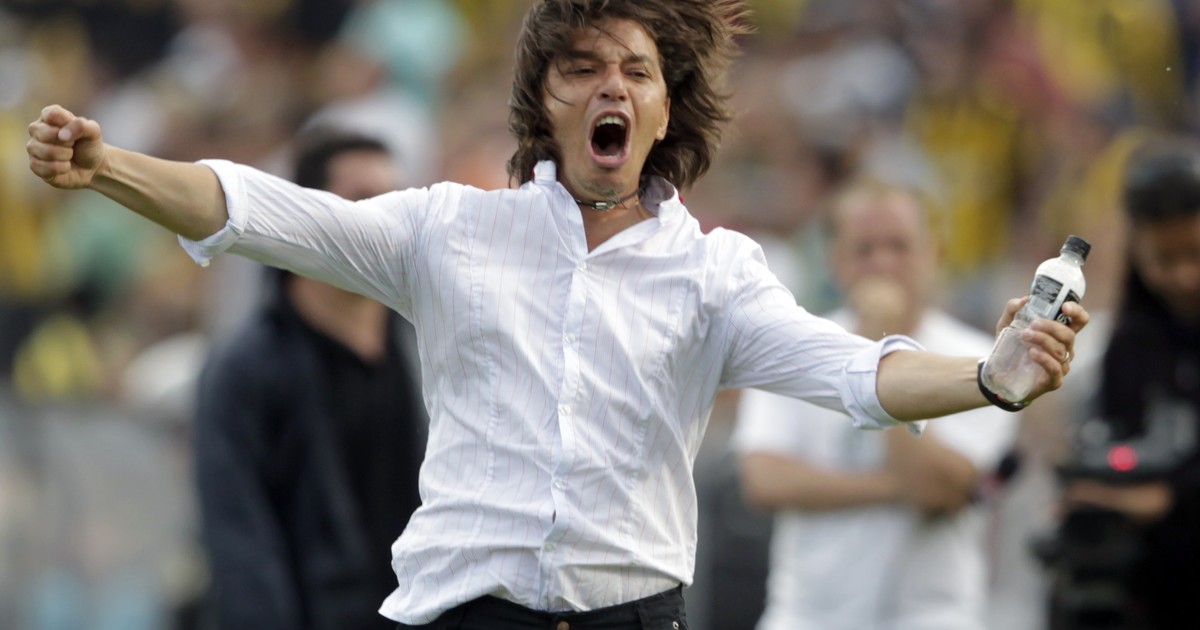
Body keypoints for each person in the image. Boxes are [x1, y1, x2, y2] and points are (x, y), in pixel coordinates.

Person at [24, 1, 1088, 627]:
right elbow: (259, 210)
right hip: (458, 611)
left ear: (665, 106)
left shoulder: (717, 273)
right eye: (581, 68)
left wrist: (989, 376)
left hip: (634, 614)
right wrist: (108, 166)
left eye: (636, 70)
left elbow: (857, 371)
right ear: (545, 99)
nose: (609, 87)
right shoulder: (449, 229)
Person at [733, 179, 1019, 630]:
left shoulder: (981, 362)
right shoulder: (794, 347)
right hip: (808, 616)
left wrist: (881, 342)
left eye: (899, 246)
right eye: (864, 249)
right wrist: (895, 487)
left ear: (934, 253)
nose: (882, 263)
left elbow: (934, 490)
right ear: (835, 261)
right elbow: (764, 480)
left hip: (930, 617)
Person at [191, 131, 428, 629]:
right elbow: (242, 553)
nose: (385, 223)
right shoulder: (244, 369)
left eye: (397, 202)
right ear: (308, 219)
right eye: (362, 201)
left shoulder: (425, 351)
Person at [1048, 136, 1200, 630]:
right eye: (1164, 260)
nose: (1185, 276)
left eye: (1195, 254)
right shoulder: (1131, 343)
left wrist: (1169, 498)